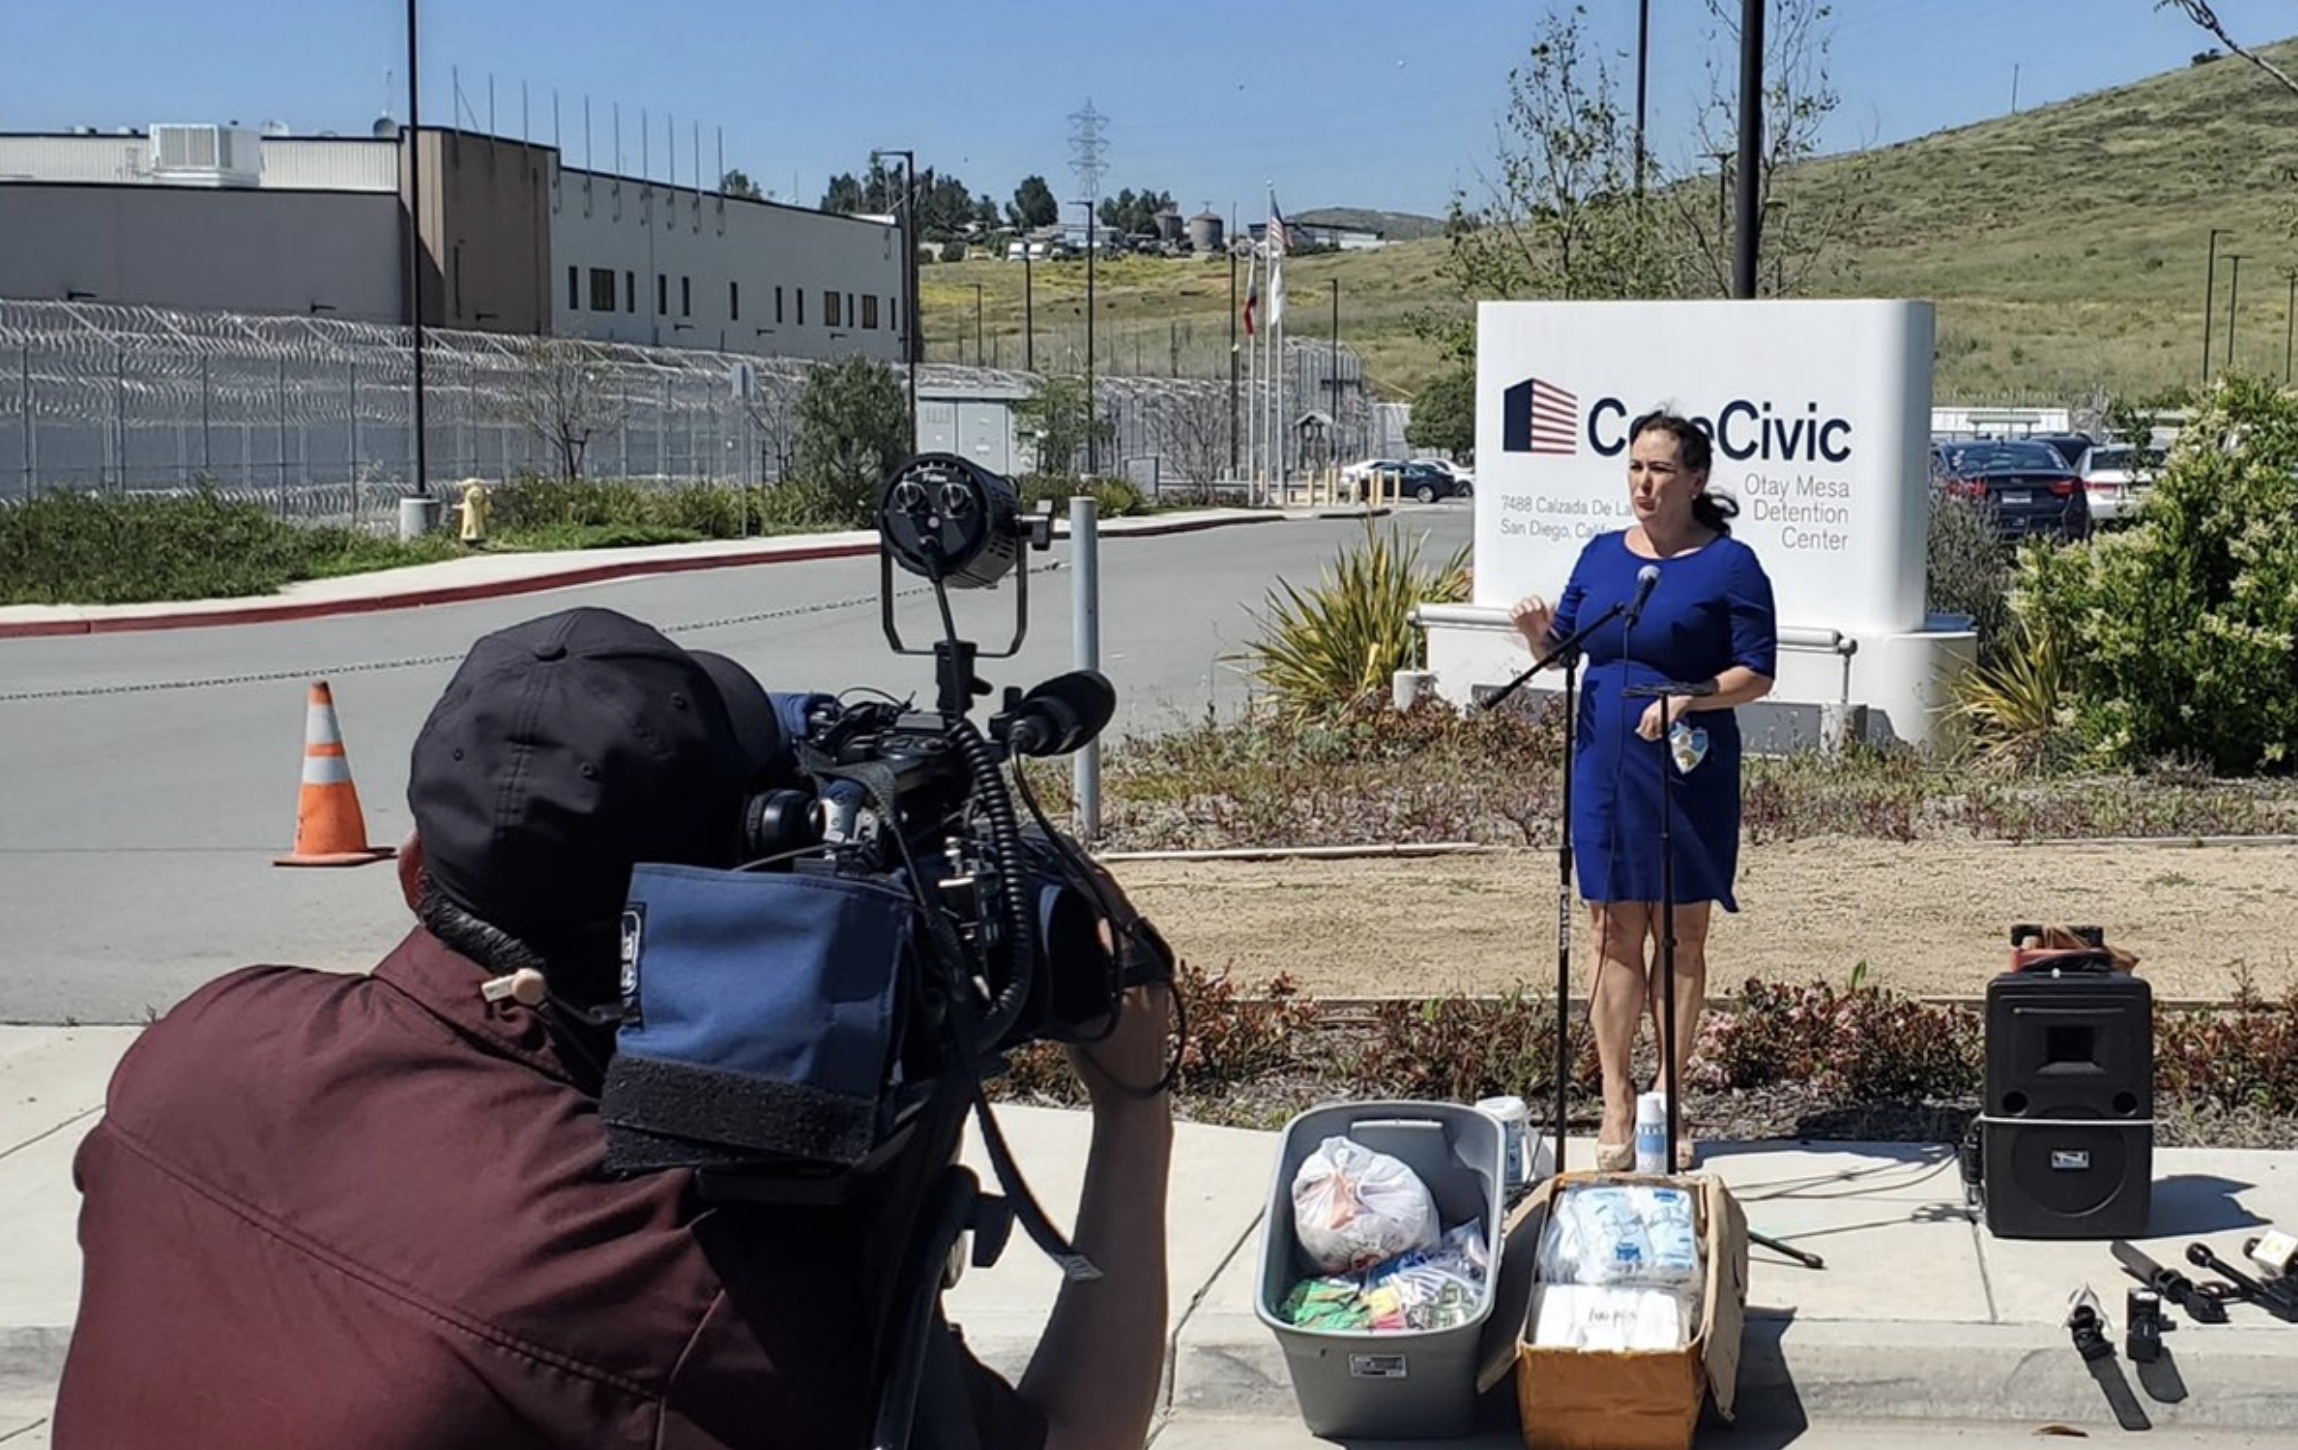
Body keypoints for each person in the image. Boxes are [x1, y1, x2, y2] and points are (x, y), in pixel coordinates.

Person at [55, 605, 1173, 1450]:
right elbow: (1073, 1434)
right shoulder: (671, 1283)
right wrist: (1134, 1102)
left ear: (410, 871)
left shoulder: (198, 1044)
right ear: (720, 912)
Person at [1509, 414, 1777, 1171]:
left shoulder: (1731, 565)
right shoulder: (1600, 555)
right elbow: (1566, 648)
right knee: (1610, 928)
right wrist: (1536, 636)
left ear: (1696, 480)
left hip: (1688, 764)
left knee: (1680, 933)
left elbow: (1757, 672)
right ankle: (1618, 1099)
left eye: (1660, 469)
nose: (1643, 484)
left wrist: (1691, 696)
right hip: (1605, 758)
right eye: (1633, 468)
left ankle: (1671, 1097)